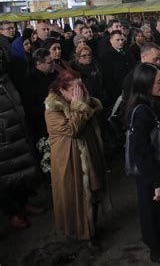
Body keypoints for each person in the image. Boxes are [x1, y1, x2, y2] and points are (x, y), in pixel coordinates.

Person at [125, 63, 160, 265]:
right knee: (153, 215)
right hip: (150, 174)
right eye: (158, 82)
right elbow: (140, 152)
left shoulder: (153, 103)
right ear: (146, 84)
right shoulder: (141, 111)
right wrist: (157, 182)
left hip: (159, 168)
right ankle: (157, 251)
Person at [44, 69, 105, 242]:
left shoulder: (80, 97)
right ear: (62, 90)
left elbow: (97, 108)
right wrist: (79, 106)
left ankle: (93, 227)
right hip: (69, 158)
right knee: (77, 196)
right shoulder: (52, 108)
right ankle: (83, 234)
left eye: (82, 87)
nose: (80, 92)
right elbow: (73, 130)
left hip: (88, 154)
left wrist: (83, 102)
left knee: (93, 190)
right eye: (75, 89)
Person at [0, 47, 43, 230]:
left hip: (17, 130)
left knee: (19, 171)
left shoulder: (5, 78)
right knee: (5, 176)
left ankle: (24, 203)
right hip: (3, 137)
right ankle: (12, 212)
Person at [21, 48, 56, 143]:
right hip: (42, 124)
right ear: (38, 64)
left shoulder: (51, 75)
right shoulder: (31, 82)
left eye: (53, 61)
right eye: (50, 62)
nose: (53, 64)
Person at [100, 30, 137, 108]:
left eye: (122, 39)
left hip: (131, 88)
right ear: (111, 41)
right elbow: (108, 78)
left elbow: (134, 66)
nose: (121, 42)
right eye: (118, 40)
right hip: (118, 93)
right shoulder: (106, 56)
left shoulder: (127, 51)